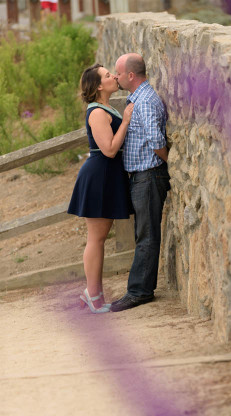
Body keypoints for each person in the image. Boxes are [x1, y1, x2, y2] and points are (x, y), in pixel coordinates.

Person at [67, 63, 135, 314]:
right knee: (96, 239)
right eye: (108, 76)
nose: (114, 77)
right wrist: (126, 120)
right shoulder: (96, 112)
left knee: (100, 239)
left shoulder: (105, 107)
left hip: (107, 174)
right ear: (97, 86)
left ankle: (93, 294)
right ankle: (93, 295)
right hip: (99, 175)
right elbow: (109, 149)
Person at [110, 53, 170, 313]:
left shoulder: (143, 102)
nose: (116, 77)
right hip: (143, 177)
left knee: (146, 235)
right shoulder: (140, 97)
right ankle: (140, 288)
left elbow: (157, 141)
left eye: (119, 73)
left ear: (131, 76)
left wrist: (168, 165)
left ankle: (139, 292)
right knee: (143, 233)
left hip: (148, 175)